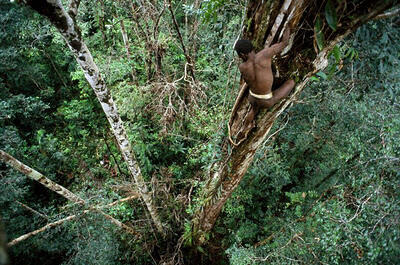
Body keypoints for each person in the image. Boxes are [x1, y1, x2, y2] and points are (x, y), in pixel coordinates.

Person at [234, 29, 295, 129]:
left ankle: (246, 125)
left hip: (252, 98)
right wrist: (288, 27)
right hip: (266, 101)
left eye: (239, 54)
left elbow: (249, 82)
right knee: (291, 82)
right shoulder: (265, 54)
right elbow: (284, 43)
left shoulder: (242, 67)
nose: (239, 57)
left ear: (242, 54)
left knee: (254, 108)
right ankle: (250, 120)